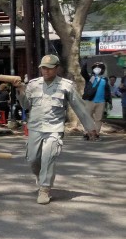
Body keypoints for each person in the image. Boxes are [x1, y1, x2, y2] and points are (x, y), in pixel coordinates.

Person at [16, 54, 98, 205]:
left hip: (54, 128)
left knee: (49, 157)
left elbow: (79, 107)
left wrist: (90, 127)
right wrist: (21, 90)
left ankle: (44, 189)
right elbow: (26, 105)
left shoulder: (66, 85)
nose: (45, 71)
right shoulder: (33, 84)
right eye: (43, 68)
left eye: (49, 68)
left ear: (57, 68)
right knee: (33, 159)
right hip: (35, 127)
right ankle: (41, 177)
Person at [79, 60, 111, 138]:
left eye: (99, 67)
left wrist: (109, 101)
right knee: (87, 117)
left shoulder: (105, 80)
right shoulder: (91, 78)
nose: (97, 69)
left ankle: (96, 133)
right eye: (95, 67)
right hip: (90, 101)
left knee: (98, 119)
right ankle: (87, 132)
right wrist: (84, 63)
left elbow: (108, 91)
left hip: (101, 102)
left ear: (102, 69)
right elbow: (83, 72)